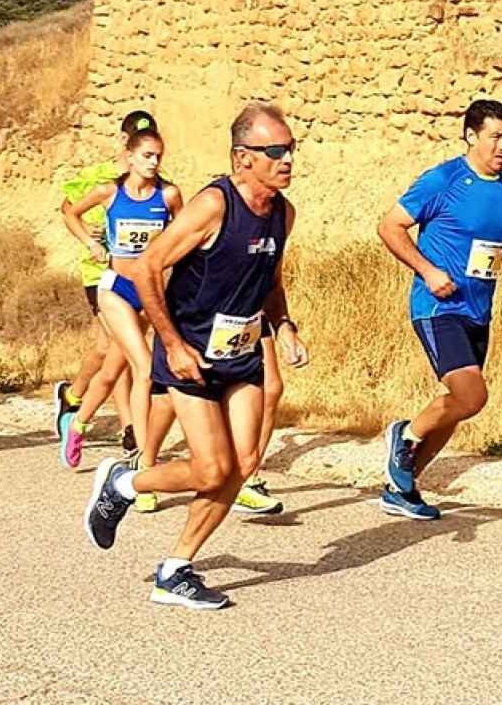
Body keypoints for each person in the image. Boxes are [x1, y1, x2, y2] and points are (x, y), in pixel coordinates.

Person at [82, 103, 309, 610]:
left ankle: (175, 569)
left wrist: (286, 325)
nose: (287, 159)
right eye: (276, 150)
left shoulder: (282, 213)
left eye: (291, 149)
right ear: (242, 157)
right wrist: (173, 344)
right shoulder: (213, 206)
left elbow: (269, 282)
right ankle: (124, 481)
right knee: (211, 469)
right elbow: (147, 268)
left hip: (241, 353)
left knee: (243, 464)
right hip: (190, 358)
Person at [376, 99, 502, 521]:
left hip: (478, 310)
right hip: (437, 305)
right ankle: (405, 435)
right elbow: (389, 226)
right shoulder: (444, 179)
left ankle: (402, 486)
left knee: (457, 406)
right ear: (471, 136)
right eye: (495, 137)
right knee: (472, 396)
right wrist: (429, 271)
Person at [59, 127, 183, 513]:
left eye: (158, 156)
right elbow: (70, 211)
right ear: (129, 157)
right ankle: (144, 468)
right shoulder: (111, 192)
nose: (154, 162)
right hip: (115, 289)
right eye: (147, 155)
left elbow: (188, 235)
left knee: (113, 368)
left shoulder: (169, 195)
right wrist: (91, 243)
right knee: (145, 369)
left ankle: (78, 422)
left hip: (153, 293)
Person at [52, 111, 155, 455]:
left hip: (141, 279)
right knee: (122, 348)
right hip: (100, 275)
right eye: (130, 141)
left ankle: (74, 396)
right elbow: (68, 211)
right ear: (122, 142)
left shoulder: (156, 182)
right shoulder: (97, 178)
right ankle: (129, 427)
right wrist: (90, 241)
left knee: (110, 350)